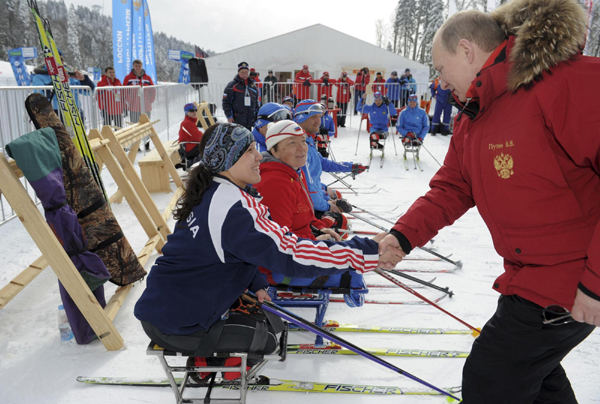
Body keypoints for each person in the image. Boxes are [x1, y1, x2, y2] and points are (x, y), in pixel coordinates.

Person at [378, 2, 600, 403]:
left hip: (569, 280)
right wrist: (402, 236)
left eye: (441, 70)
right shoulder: (474, 117)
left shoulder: (561, 84)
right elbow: (451, 188)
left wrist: (596, 283)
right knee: (532, 377)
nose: (440, 84)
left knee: (490, 377)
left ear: (467, 51)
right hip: (531, 277)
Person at [134, 122, 382, 377]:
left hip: (170, 306)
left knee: (272, 321)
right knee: (267, 338)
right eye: (249, 151)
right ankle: (209, 365)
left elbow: (232, 250)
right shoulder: (231, 208)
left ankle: (211, 355)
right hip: (179, 321)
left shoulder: (216, 190)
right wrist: (361, 252)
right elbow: (290, 253)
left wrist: (257, 284)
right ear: (227, 160)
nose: (258, 156)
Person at [254, 120, 367, 306]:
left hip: (295, 253)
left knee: (349, 253)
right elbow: (280, 244)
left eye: (303, 141)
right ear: (274, 150)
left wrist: (321, 229)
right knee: (352, 269)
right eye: (292, 142)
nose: (302, 148)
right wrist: (316, 243)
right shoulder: (275, 182)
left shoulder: (291, 172)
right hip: (278, 269)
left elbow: (305, 218)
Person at [295, 99, 366, 222]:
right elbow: (308, 188)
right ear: (301, 118)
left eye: (319, 116)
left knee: (337, 196)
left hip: (313, 198)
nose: (319, 121)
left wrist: (349, 167)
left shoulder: (308, 140)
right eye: (314, 117)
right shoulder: (299, 146)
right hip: (306, 206)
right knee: (342, 223)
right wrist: (328, 205)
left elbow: (322, 163)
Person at [123, 59, 156, 150]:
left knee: (146, 126)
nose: (138, 68)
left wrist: (151, 100)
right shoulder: (128, 78)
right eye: (136, 66)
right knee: (134, 126)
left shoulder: (147, 77)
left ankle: (146, 145)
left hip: (146, 106)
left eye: (139, 66)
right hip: (134, 107)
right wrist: (129, 101)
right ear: (133, 66)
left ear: (142, 66)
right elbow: (124, 91)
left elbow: (153, 89)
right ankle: (136, 147)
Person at [222, 62, 259, 130]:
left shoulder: (253, 86)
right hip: (237, 120)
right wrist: (229, 116)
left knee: (248, 139)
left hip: (250, 120)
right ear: (238, 72)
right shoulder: (232, 85)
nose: (244, 74)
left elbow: (256, 103)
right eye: (242, 72)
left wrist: (257, 115)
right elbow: (226, 102)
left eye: (246, 72)